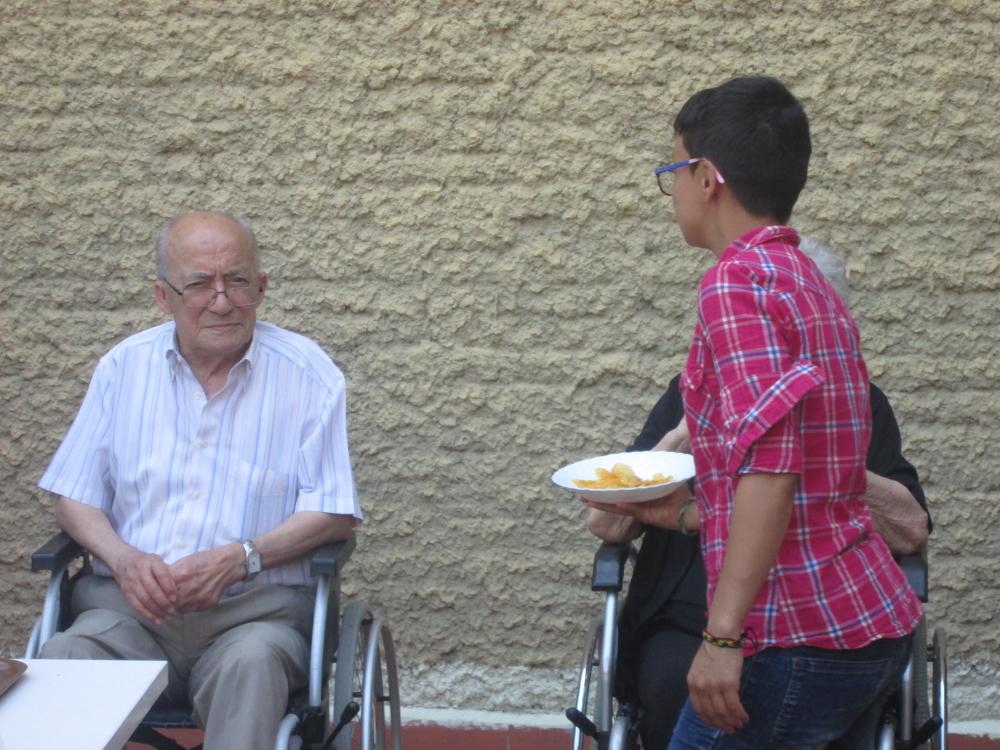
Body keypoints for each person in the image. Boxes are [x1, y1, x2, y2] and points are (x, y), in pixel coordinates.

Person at [595, 76, 923, 748]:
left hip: (793, 636)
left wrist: (721, 638)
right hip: (857, 619)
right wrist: (682, 514)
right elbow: (814, 480)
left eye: (672, 172)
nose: (672, 192)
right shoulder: (802, 278)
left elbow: (772, 471)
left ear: (706, 177)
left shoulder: (737, 283)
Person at [38, 211, 361, 750]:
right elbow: (73, 496)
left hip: (253, 619)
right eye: (198, 285)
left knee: (252, 666)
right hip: (129, 616)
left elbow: (334, 513)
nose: (222, 301)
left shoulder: (309, 375)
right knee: (63, 660)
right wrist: (124, 559)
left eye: (237, 281)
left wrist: (241, 557)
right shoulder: (123, 368)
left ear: (262, 287)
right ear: (163, 297)